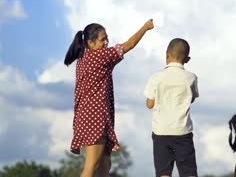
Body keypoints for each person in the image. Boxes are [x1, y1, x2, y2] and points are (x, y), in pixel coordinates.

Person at [64, 19, 154, 177]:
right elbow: (130, 44)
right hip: (95, 117)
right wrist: (145, 27)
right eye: (102, 39)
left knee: (105, 164)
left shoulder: (83, 60)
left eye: (107, 38)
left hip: (87, 116)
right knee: (91, 166)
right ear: (90, 43)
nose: (106, 42)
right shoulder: (99, 56)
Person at [144, 38, 199, 177]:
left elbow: (150, 104)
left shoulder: (156, 77)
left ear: (166, 54)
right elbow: (191, 98)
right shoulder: (191, 77)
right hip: (183, 132)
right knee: (188, 171)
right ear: (187, 59)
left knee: (163, 172)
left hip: (160, 131)